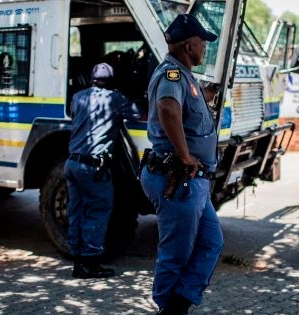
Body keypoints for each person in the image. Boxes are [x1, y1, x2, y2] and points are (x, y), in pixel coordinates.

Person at [140, 14, 223, 314]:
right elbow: (167, 108)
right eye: (203, 43)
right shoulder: (171, 75)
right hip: (178, 178)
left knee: (212, 242)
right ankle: (167, 307)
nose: (205, 49)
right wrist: (186, 155)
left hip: (194, 181)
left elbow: (186, 106)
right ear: (190, 45)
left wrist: (207, 94)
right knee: (175, 253)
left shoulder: (185, 77)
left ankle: (178, 304)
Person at [65, 62, 141, 279]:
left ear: (91, 78)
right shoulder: (115, 99)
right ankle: (90, 264)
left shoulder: (78, 97)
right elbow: (138, 114)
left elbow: (74, 115)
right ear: (111, 81)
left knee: (76, 211)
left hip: (72, 164)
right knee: (97, 212)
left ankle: (77, 262)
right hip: (92, 167)